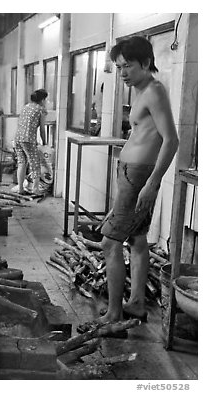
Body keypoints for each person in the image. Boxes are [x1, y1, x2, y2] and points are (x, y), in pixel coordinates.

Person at [77, 36, 179, 337]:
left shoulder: (154, 91)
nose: (122, 73)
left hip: (139, 177)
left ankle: (114, 312)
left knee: (109, 243)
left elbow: (171, 140)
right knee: (136, 239)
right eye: (118, 67)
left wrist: (152, 183)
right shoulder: (140, 90)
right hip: (132, 173)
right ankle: (135, 303)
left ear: (146, 63)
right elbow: (143, 134)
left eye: (128, 66)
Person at [11, 89, 48, 195]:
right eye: (45, 99)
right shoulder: (41, 110)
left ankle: (21, 189)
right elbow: (41, 129)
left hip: (18, 138)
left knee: (22, 163)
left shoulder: (26, 107)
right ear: (42, 100)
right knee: (35, 164)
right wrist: (44, 142)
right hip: (28, 140)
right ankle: (35, 190)